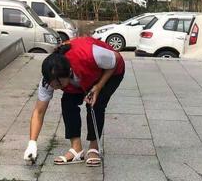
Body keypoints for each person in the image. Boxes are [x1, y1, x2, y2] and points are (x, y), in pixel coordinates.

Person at [23, 37, 125, 166]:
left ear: (69, 72)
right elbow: (39, 112)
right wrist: (32, 143)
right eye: (52, 85)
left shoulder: (90, 54)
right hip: (83, 77)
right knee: (68, 102)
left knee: (95, 104)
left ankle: (94, 147)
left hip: (110, 71)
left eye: (58, 85)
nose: (55, 88)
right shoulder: (49, 79)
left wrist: (98, 87)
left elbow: (116, 58)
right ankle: (76, 149)